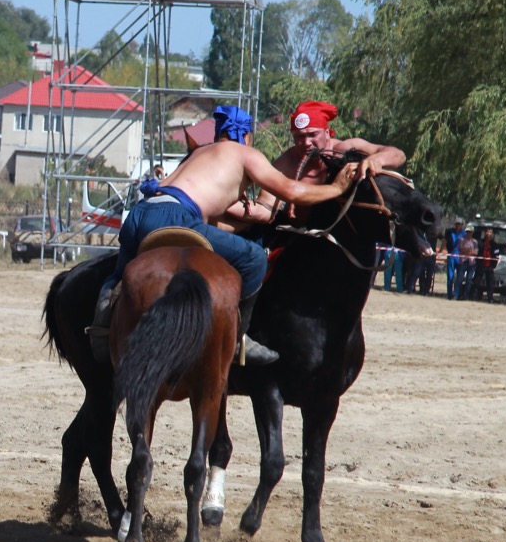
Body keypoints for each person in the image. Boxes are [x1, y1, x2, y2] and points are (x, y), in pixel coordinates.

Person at [91, 105, 358, 367]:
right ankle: (239, 337)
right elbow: (293, 192)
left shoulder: (199, 153)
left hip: (140, 214)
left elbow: (208, 210)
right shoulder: (246, 155)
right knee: (254, 257)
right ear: (247, 136)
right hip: (175, 216)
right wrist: (336, 188)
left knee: (120, 274)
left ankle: (102, 324)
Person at [255, 100, 406, 223]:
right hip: (301, 240)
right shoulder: (287, 161)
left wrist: (376, 160)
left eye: (313, 134)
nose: (306, 142)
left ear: (326, 133)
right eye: (299, 136)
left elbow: (398, 155)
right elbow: (265, 206)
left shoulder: (345, 149)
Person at [473, 228, 501, 303]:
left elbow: (496, 255)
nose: (488, 233)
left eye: (490, 232)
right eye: (487, 232)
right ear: (485, 233)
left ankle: (490, 298)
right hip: (481, 265)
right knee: (476, 282)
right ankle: (475, 296)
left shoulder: (494, 244)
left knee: (490, 283)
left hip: (490, 266)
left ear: (492, 234)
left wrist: (493, 265)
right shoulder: (480, 242)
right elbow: (476, 253)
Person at [442, 220, 466, 300]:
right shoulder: (449, 232)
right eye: (456, 224)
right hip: (451, 255)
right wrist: (440, 251)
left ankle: (456, 294)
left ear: (462, 225)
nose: (457, 226)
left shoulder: (464, 233)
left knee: (459, 277)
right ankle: (449, 294)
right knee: (450, 276)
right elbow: (445, 242)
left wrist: (463, 257)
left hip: (459, 256)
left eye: (459, 224)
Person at [454, 228, 477, 300]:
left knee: (469, 279)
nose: (468, 233)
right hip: (463, 261)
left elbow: (476, 252)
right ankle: (456, 295)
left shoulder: (475, 242)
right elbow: (461, 249)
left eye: (470, 232)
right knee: (459, 279)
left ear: (472, 232)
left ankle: (466, 296)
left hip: (472, 262)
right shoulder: (461, 240)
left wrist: (469, 252)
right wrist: (469, 251)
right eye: (467, 232)